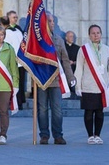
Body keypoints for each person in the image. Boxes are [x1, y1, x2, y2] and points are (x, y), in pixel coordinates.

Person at [75, 24, 109, 145]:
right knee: (88, 112)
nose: (96, 35)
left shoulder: (107, 49)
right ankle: (90, 136)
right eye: (93, 33)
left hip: (102, 86)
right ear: (89, 35)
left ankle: (98, 135)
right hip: (88, 86)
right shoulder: (83, 50)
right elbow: (79, 68)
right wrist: (78, 86)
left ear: (101, 34)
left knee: (99, 112)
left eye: (98, 33)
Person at [37, 13, 75, 145]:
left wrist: (71, 77)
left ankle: (58, 135)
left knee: (57, 109)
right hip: (41, 80)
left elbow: (65, 60)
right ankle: (44, 135)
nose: (52, 23)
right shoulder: (37, 41)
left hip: (56, 81)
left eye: (53, 21)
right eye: (49, 21)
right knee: (42, 109)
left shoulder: (59, 40)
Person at [5, 10, 25, 110]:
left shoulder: (18, 30)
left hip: (21, 60)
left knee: (20, 81)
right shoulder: (6, 31)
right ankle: (11, 102)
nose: (15, 19)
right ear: (8, 18)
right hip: (12, 60)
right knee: (12, 81)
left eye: (16, 17)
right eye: (13, 17)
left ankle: (20, 102)